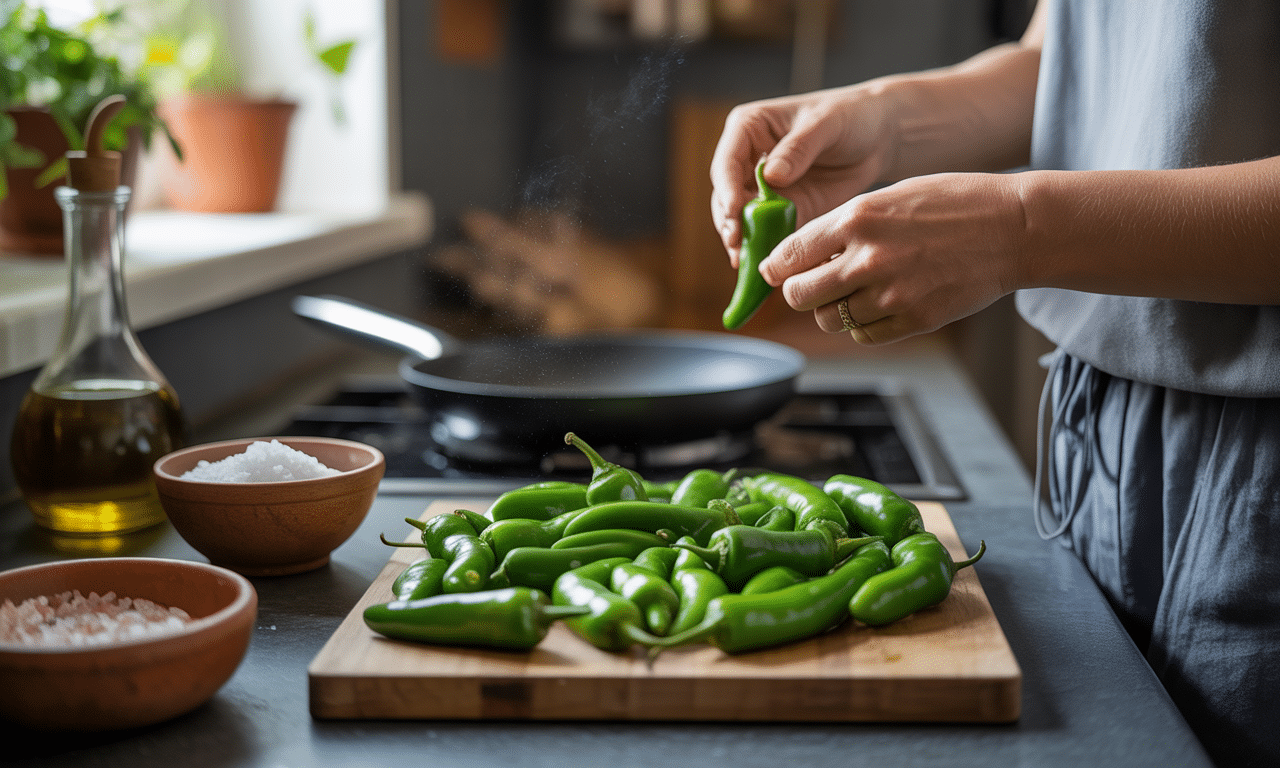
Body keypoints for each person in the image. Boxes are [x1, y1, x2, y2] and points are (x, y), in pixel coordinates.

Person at [708, 2, 1280, 766]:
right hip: (1099, 428)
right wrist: (885, 120)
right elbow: (1069, 63)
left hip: (1262, 472)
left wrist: (1022, 226)